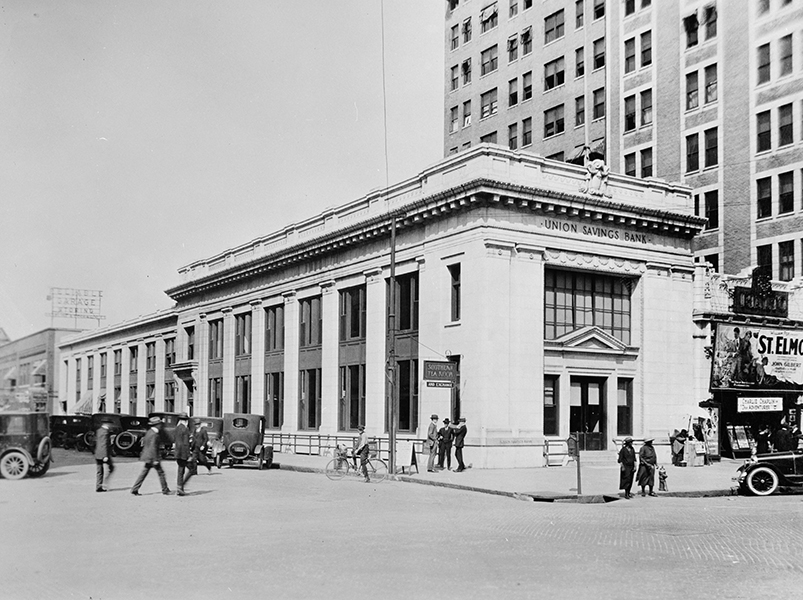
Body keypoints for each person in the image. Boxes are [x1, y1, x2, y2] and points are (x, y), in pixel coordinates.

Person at [130, 416, 171, 496]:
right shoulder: (155, 434)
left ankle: (135, 488)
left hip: (148, 456)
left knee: (144, 473)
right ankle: (165, 489)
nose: (161, 426)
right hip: (152, 457)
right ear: (157, 425)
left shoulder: (149, 432)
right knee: (161, 473)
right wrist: (155, 459)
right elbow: (153, 447)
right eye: (159, 424)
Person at [94, 417, 115, 492]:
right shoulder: (105, 432)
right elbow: (104, 444)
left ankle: (98, 486)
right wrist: (105, 456)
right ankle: (105, 483)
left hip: (98, 453)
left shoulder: (99, 430)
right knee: (111, 468)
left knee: (99, 470)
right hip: (104, 453)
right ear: (107, 424)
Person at [173, 413, 191, 496]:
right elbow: (186, 443)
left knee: (180, 470)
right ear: (186, 421)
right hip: (184, 452)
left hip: (178, 452)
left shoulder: (177, 428)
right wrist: (188, 455)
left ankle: (180, 487)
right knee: (191, 469)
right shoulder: (185, 429)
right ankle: (180, 487)